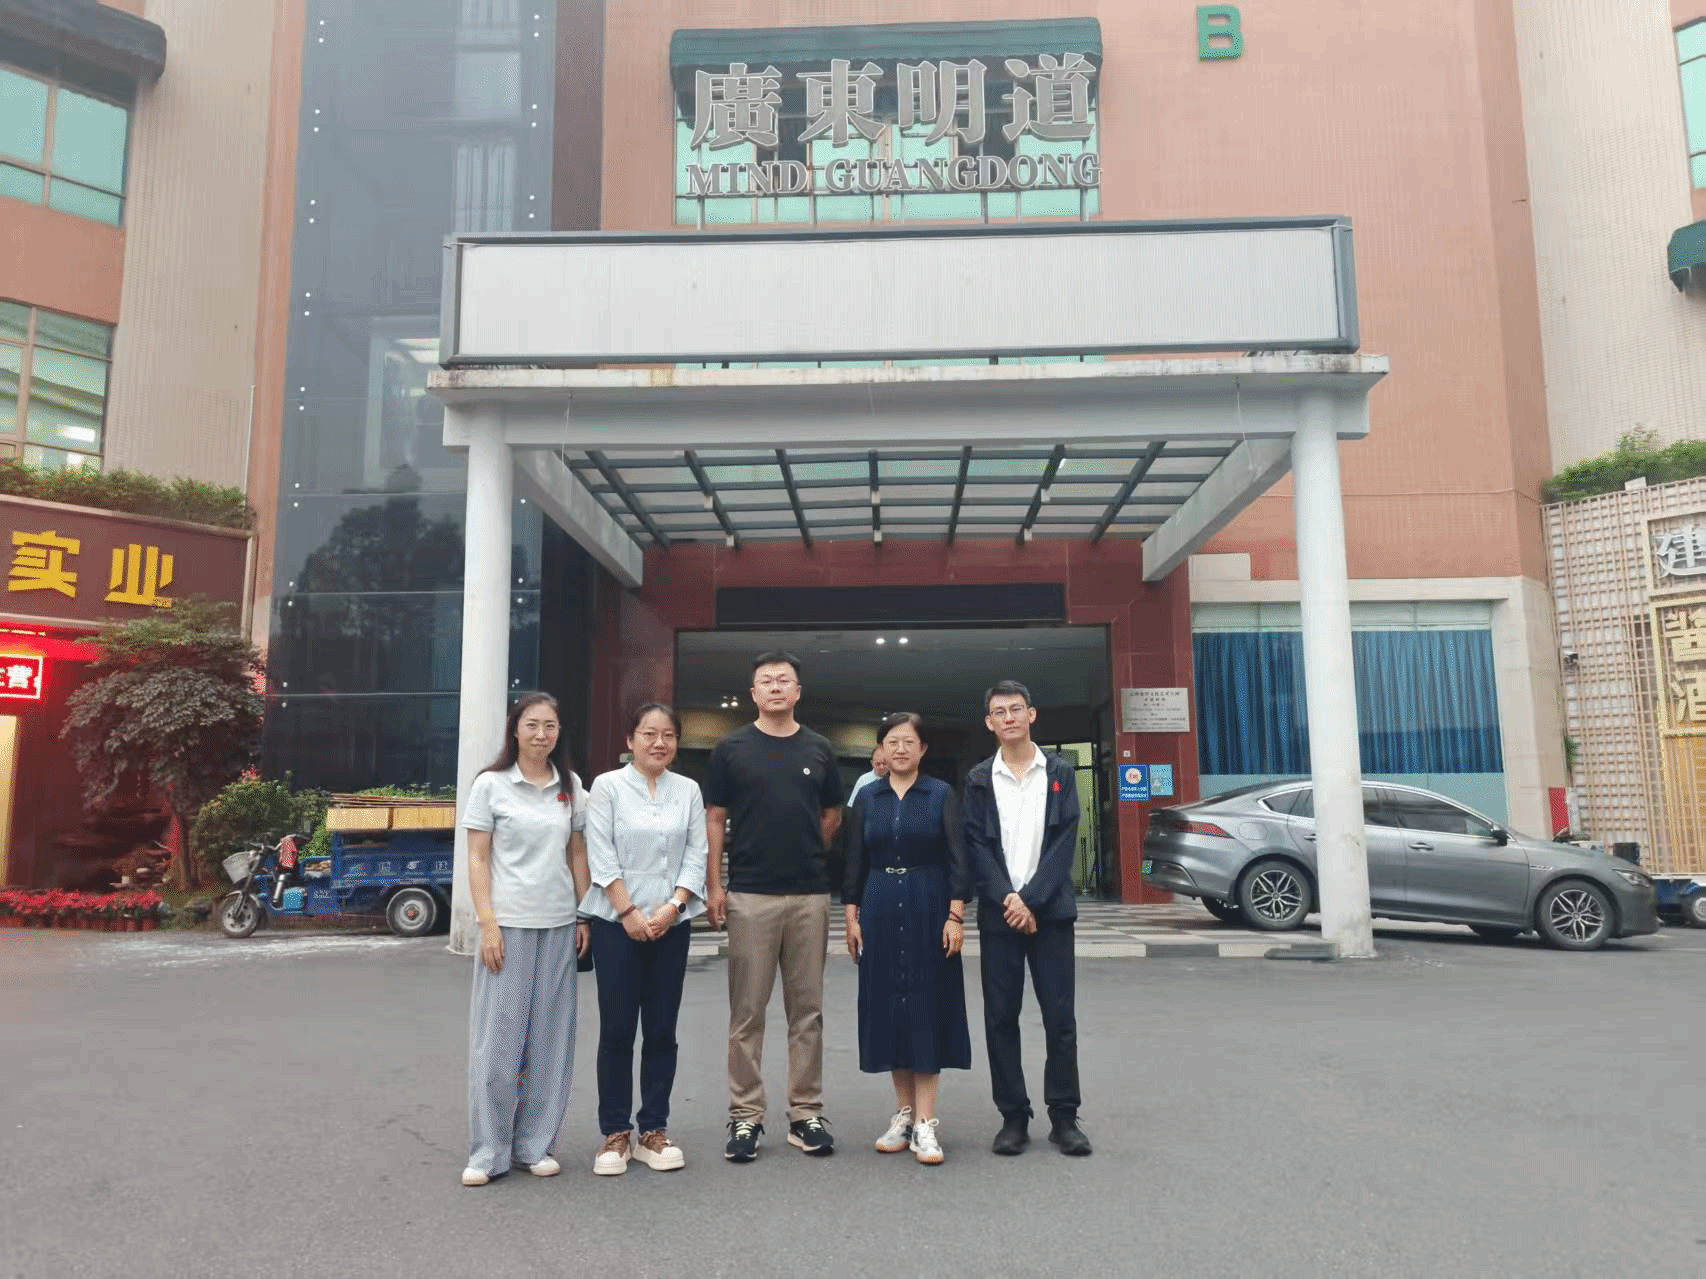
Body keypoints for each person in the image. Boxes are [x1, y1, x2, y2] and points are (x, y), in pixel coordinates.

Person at [705, 651, 845, 1161]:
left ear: (798, 691)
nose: (776, 687)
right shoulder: (731, 749)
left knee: (807, 1012)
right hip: (750, 894)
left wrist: (804, 851)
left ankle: (806, 1114)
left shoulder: (819, 748)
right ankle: (745, 1117)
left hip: (809, 895)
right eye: (766, 681)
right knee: (747, 1012)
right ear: (754, 693)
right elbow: (714, 817)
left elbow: (831, 815)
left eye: (784, 680)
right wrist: (714, 885)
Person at [460, 692, 591, 1187]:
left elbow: (577, 855)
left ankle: (535, 1145)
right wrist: (487, 923)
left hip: (558, 925)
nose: (541, 734)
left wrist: (583, 915)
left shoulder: (570, 787)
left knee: (549, 1043)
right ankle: (487, 1152)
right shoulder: (491, 785)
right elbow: (477, 859)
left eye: (550, 726)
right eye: (532, 724)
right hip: (508, 927)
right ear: (515, 729)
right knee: (498, 1044)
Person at [961, 679, 1092, 1157]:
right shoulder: (980, 779)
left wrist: (1030, 901)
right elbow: (976, 845)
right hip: (1000, 916)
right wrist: (1009, 900)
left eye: (1016, 709)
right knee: (1000, 1017)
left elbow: (1063, 843)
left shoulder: (1059, 773)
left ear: (1031, 714)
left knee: (1060, 1018)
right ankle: (1013, 1117)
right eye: (999, 711)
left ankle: (1064, 1117)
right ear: (989, 722)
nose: (1009, 717)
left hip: (1050, 915)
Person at [580, 702, 707, 1177]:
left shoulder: (688, 789)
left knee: (661, 1030)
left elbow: (697, 853)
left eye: (668, 735)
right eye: (649, 733)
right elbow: (600, 852)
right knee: (616, 1031)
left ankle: (653, 1128)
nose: (659, 742)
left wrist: (673, 907)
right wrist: (628, 911)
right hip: (616, 926)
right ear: (630, 740)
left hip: (671, 924)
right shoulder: (607, 786)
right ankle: (615, 1132)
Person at [843, 712, 971, 1166]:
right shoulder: (868, 797)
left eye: (908, 742)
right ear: (881, 749)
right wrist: (851, 916)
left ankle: (926, 1122)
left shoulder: (940, 794)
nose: (900, 749)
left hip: (928, 904)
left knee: (926, 1005)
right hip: (878, 903)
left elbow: (958, 857)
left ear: (922, 749)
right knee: (890, 1007)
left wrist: (955, 915)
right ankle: (903, 1115)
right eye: (892, 742)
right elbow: (854, 859)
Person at [846, 744, 888, 809]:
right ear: (872, 763)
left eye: (885, 763)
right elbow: (853, 806)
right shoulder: (864, 780)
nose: (882, 767)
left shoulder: (897, 780)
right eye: (878, 764)